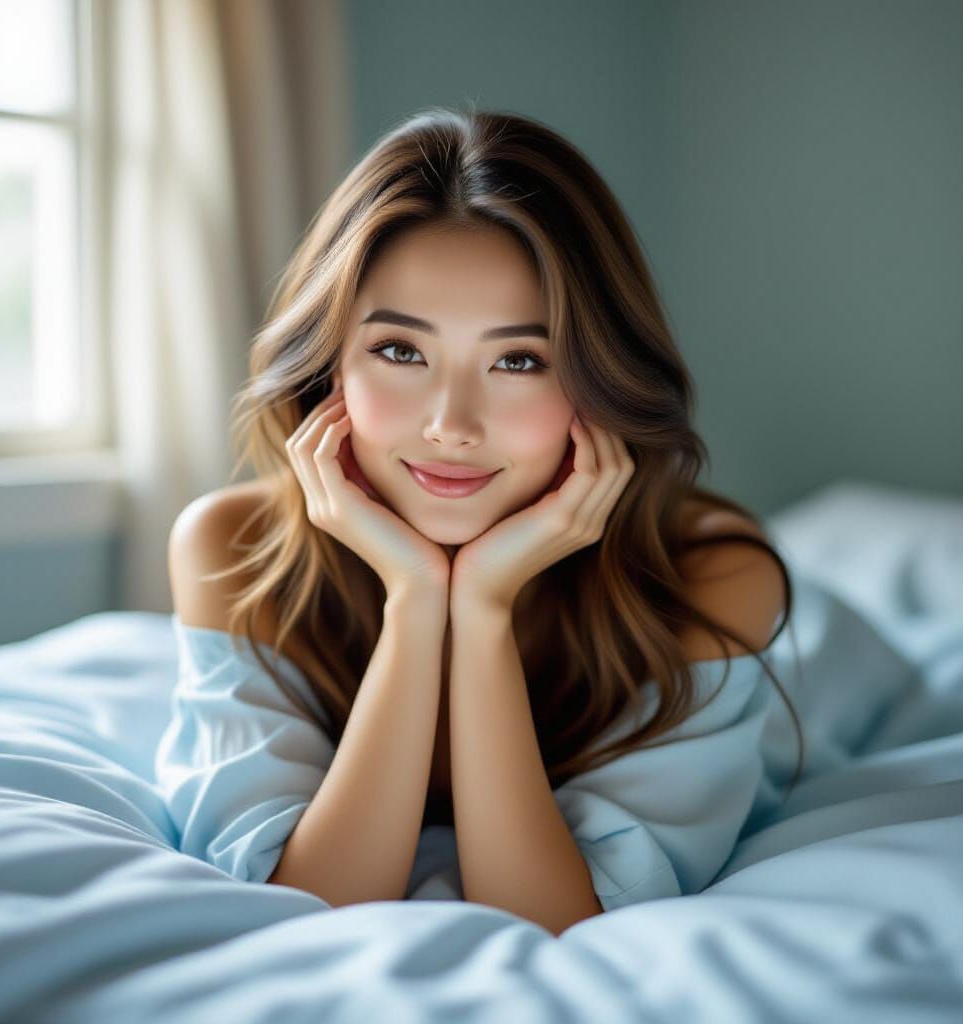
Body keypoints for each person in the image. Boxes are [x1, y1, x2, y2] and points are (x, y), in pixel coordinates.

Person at [155, 105, 804, 937]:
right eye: (399, 351)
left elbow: (558, 920)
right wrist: (416, 598)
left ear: (597, 380)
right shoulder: (228, 549)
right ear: (329, 367)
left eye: (519, 360)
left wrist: (486, 607)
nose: (451, 424)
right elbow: (309, 901)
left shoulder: (716, 575)